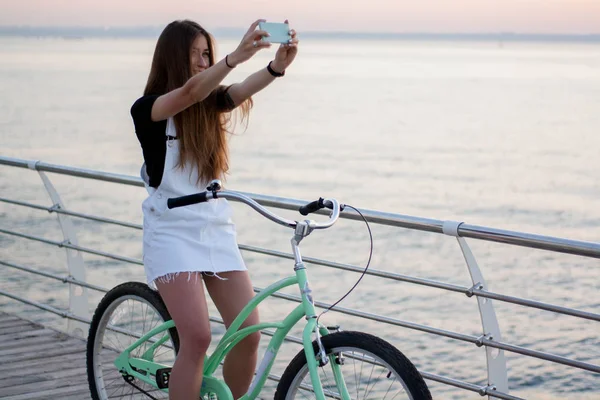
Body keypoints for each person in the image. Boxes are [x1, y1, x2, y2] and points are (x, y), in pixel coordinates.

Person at [130, 19, 299, 400]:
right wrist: (235, 56)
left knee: (248, 332)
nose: (203, 62)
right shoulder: (148, 109)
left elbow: (237, 91)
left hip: (213, 225)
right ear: (173, 59)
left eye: (207, 54)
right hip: (170, 231)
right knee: (197, 336)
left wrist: (277, 66)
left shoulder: (209, 104)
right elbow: (189, 92)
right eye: (195, 55)